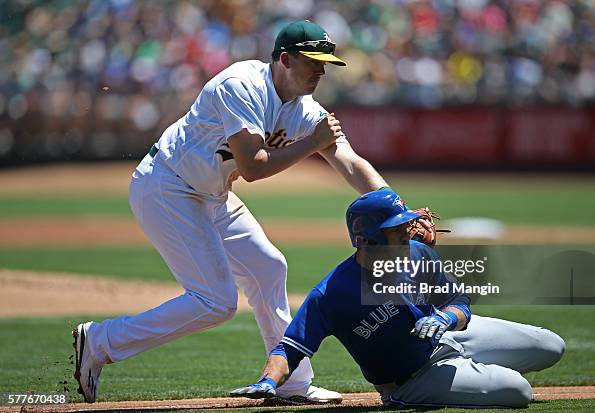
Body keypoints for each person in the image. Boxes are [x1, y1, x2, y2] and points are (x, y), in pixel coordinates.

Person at [71, 20, 427, 404]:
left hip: (212, 193)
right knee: (215, 301)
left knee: (269, 266)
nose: (321, 71)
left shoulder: (304, 110)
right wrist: (312, 144)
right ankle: (101, 341)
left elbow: (350, 162)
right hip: (167, 186)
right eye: (313, 62)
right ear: (285, 59)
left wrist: (401, 211)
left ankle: (291, 380)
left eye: (325, 63)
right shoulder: (241, 85)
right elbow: (255, 167)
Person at [230, 189, 566, 408]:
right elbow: (290, 348)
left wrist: (445, 318)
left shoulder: (418, 253)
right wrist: (268, 381)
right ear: (367, 241)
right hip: (411, 379)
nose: (408, 233)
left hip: (449, 335)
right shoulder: (332, 294)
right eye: (397, 230)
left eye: (406, 226)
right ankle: (461, 379)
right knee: (518, 391)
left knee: (553, 346)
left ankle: (470, 373)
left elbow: (459, 302)